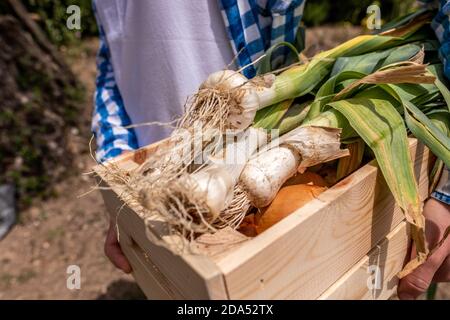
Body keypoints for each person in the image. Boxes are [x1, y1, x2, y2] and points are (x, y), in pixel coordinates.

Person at [92, 0, 450, 300]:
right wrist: (121, 182)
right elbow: (112, 56)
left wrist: (447, 192)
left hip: (245, 144)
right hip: (170, 160)